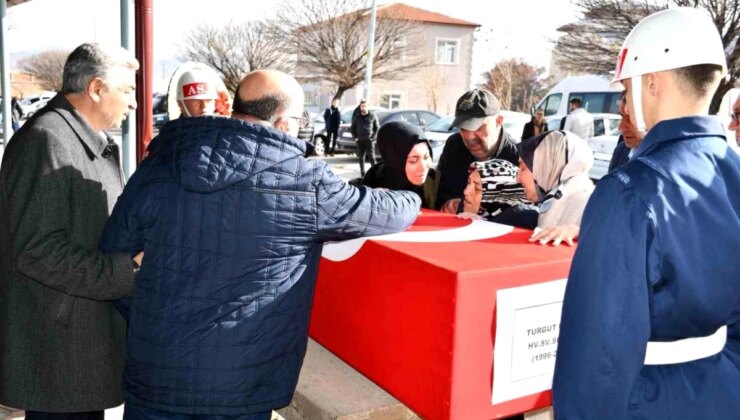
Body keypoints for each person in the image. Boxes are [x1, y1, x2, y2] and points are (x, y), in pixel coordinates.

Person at [98, 69, 421, 420]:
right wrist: (411, 196)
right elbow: (386, 213)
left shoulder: (159, 164)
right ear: (284, 124)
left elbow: (114, 265)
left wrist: (154, 319)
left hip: (155, 374)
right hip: (241, 386)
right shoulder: (304, 182)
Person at [553, 8, 740, 419]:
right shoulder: (735, 172)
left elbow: (599, 357)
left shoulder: (629, 191)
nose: (623, 100)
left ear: (651, 81)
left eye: (626, 87)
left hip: (650, 401)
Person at [0, 43, 142, 419]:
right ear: (96, 89)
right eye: (127, 91)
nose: (134, 104)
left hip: (74, 349)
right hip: (59, 356)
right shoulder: (47, 141)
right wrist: (127, 271)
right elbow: (38, 251)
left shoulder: (69, 138)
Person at [437, 89, 519, 213]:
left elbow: (520, 212)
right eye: (463, 128)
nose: (469, 137)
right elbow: (439, 191)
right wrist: (447, 204)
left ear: (499, 121)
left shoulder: (519, 158)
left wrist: (465, 207)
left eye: (478, 127)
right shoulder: (454, 146)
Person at [515, 130, 594, 246]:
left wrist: (578, 231)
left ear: (544, 166)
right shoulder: (556, 198)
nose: (518, 178)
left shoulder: (589, 203)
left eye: (522, 168)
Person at [361, 120, 440, 209]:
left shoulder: (437, 184)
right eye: (413, 161)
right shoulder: (372, 181)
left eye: (426, 157)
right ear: (394, 162)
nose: (423, 167)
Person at [458, 159, 538, 229]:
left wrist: (483, 227)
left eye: (477, 189)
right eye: (468, 183)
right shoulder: (466, 204)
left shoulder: (523, 218)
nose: (466, 192)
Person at [608, 92, 646, 172]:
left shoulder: (670, 158)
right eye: (622, 116)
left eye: (630, 118)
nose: (621, 127)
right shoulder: (621, 150)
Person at [351, 99, 379, 176]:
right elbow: (352, 128)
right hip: (360, 141)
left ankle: (375, 173)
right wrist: (355, 138)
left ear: (368, 107)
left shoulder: (372, 116)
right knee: (361, 158)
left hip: (369, 140)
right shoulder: (357, 117)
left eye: (365, 106)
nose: (363, 108)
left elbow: (377, 128)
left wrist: (373, 138)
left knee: (372, 158)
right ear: (360, 107)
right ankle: (362, 174)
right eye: (362, 106)